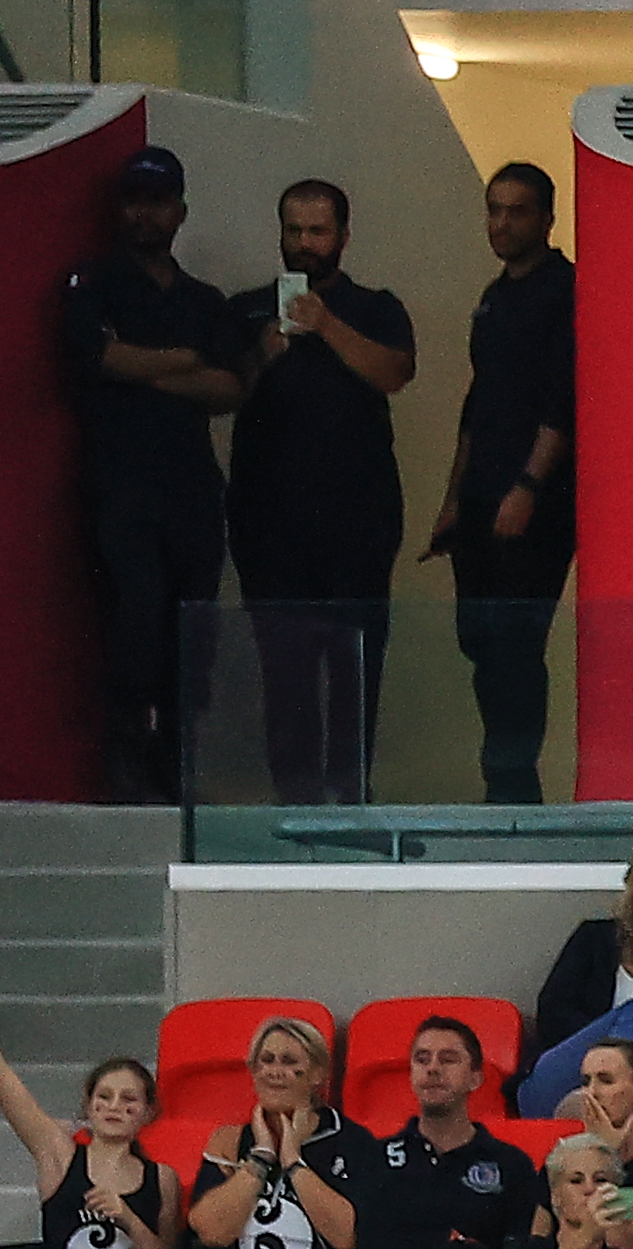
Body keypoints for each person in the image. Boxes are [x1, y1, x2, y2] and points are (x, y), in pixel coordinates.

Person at [219, 178, 413, 808]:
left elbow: (394, 373)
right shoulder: (246, 310)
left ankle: (350, 794)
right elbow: (218, 391)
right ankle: (294, 801)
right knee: (284, 668)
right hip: (268, 523)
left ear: (343, 237)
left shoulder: (375, 306)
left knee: (355, 664)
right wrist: (263, 353)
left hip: (358, 521)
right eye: (293, 231)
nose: (304, 244)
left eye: (318, 231)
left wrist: (325, 325)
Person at [58, 146, 241, 811]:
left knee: (194, 634)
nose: (144, 213)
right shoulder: (92, 283)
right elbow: (97, 359)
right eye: (133, 199)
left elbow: (228, 386)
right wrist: (182, 363)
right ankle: (127, 762)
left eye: (157, 201)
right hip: (122, 484)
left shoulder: (202, 298)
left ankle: (176, 763)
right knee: (135, 628)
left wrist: (149, 365)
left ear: (179, 211)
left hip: (191, 486)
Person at [429, 163, 574, 803]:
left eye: (516, 211)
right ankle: (503, 775)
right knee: (479, 639)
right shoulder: (493, 298)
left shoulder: (564, 290)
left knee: (515, 642)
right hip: (483, 495)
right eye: (494, 209)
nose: (502, 222)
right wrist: (455, 498)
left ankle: (515, 785)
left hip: (534, 502)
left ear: (547, 218)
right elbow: (479, 400)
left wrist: (528, 487)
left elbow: (562, 402)